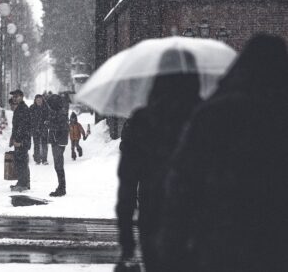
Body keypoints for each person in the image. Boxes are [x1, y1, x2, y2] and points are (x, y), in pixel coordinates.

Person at [158, 35, 288, 272]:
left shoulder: (214, 115)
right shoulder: (279, 115)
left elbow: (183, 187)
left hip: (220, 246)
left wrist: (172, 251)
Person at [116, 49, 202, 271]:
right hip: (195, 219)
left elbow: (127, 182)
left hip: (154, 215)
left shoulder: (143, 120)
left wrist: (127, 238)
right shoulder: (204, 117)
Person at [46, 94, 69, 197]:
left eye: (50, 104)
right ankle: (61, 186)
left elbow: (61, 127)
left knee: (59, 165)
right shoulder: (58, 112)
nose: (49, 106)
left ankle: (62, 188)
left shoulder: (60, 114)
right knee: (58, 165)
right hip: (58, 141)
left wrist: (49, 124)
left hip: (58, 142)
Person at [9, 89, 31, 192]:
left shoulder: (23, 109)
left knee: (21, 162)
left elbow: (22, 127)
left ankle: (23, 184)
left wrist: (18, 140)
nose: (14, 98)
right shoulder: (19, 108)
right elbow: (16, 126)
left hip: (22, 141)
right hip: (20, 140)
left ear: (21, 97)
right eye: (13, 97)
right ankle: (24, 182)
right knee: (21, 161)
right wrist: (12, 138)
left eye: (16, 96)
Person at [30, 94, 49, 165]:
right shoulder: (32, 108)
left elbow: (49, 116)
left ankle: (44, 159)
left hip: (44, 129)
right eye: (37, 100)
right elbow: (29, 118)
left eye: (40, 100)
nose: (39, 101)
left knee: (44, 144)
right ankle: (37, 159)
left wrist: (47, 121)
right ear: (35, 100)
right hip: (35, 129)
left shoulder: (46, 107)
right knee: (36, 145)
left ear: (42, 100)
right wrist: (31, 127)